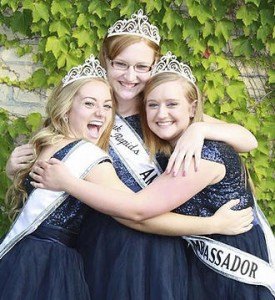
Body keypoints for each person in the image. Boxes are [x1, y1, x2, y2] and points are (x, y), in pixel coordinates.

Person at [6, 10, 258, 300]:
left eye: (142, 67)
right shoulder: (89, 105)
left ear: (155, 66)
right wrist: (13, 168)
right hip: (103, 237)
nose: (130, 76)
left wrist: (198, 131)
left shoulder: (158, 109)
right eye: (121, 65)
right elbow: (46, 168)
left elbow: (247, 140)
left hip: (160, 244)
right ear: (106, 62)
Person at [0, 55, 115, 300]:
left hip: (21, 257)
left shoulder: (45, 145)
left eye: (107, 105)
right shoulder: (90, 156)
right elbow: (138, 210)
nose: (101, 113)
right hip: (53, 266)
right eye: (89, 104)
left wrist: (13, 173)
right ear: (65, 110)